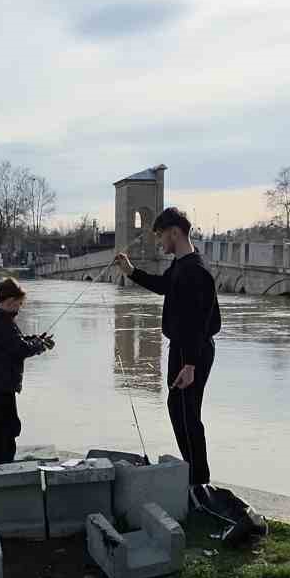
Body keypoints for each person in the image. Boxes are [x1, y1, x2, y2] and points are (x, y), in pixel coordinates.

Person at [114, 207, 222, 503]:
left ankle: (199, 483)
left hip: (193, 352)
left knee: (187, 415)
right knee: (180, 410)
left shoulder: (195, 270)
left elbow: (198, 323)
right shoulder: (180, 265)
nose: (160, 243)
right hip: (185, 349)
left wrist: (189, 364)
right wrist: (132, 271)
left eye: (161, 236)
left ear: (175, 232)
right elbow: (164, 286)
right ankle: (195, 478)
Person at [0, 276, 55, 465]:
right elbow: (21, 349)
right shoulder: (4, 322)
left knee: (0, 422)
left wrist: (35, 339)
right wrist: (40, 345)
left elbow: (14, 342)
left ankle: (1, 457)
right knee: (8, 424)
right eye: (19, 304)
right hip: (3, 382)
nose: (20, 308)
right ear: (10, 302)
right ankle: (4, 461)